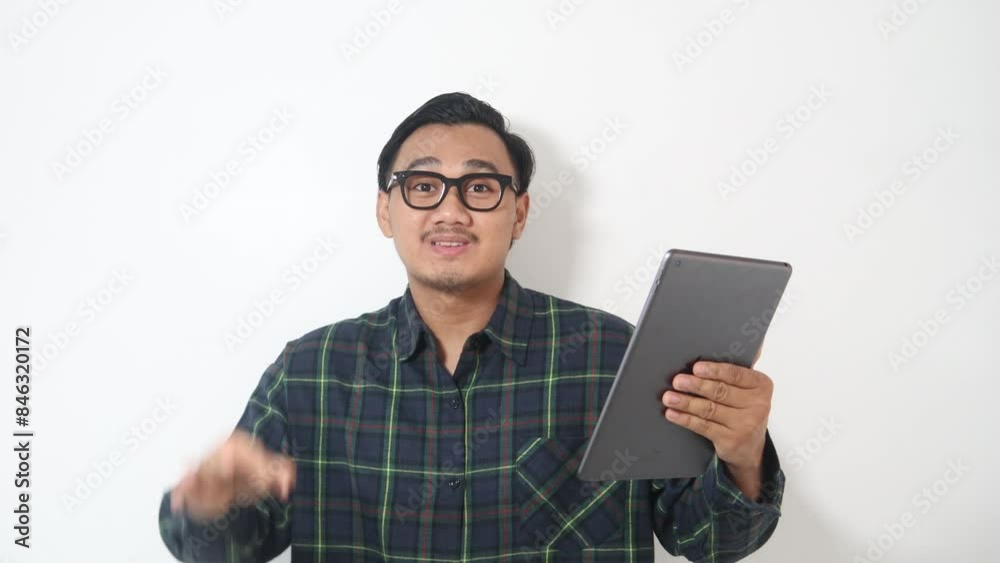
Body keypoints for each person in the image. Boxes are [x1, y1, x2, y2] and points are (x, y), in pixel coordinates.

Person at [158, 92, 784, 562]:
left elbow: (709, 540)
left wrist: (743, 456)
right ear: (385, 211)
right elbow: (225, 551)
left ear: (519, 213)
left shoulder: (612, 355)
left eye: (479, 187)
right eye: (423, 185)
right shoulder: (311, 371)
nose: (451, 210)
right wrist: (210, 505)